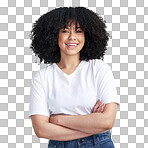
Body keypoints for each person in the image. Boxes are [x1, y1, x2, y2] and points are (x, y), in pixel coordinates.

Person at [29, 7, 119, 148]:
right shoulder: (42, 77)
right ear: (54, 35)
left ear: (87, 35)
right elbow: (41, 129)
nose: (72, 37)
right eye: (65, 31)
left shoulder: (99, 69)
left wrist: (57, 120)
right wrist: (92, 125)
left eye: (78, 31)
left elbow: (107, 122)